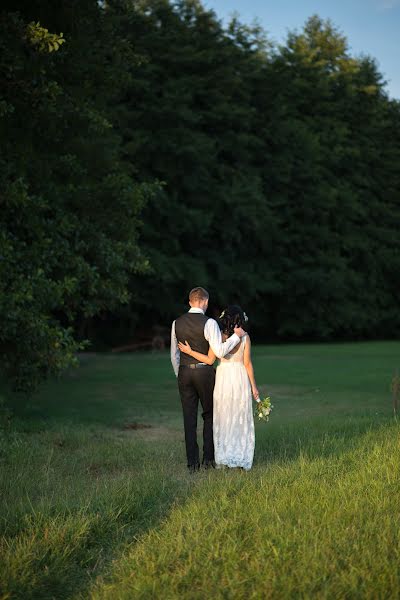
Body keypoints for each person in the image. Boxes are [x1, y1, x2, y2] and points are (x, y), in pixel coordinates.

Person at [171, 288, 246, 473]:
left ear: (190, 302)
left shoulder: (176, 323)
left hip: (184, 373)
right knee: (209, 415)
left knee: (189, 418)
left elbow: (174, 354)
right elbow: (219, 352)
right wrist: (237, 336)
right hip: (204, 373)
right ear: (205, 302)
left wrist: (180, 373)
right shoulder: (209, 323)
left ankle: (192, 464)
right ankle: (208, 460)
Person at [178, 305, 259, 471]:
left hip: (223, 377)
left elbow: (209, 360)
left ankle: (223, 456)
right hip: (239, 377)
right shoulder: (245, 337)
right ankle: (239, 455)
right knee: (239, 415)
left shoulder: (220, 337)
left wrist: (190, 351)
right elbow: (247, 363)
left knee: (223, 415)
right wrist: (254, 387)